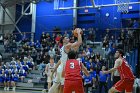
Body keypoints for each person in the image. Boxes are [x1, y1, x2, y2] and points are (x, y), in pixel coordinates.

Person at [49, 28, 83, 93]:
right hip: (64, 69)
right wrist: (78, 33)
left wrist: (54, 71)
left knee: (55, 86)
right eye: (67, 38)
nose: (68, 39)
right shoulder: (67, 46)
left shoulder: (63, 48)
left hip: (60, 68)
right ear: (63, 40)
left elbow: (60, 61)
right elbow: (79, 42)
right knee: (64, 88)